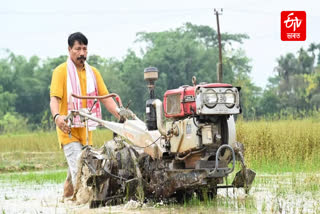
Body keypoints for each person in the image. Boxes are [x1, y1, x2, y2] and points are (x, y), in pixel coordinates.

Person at [49, 32, 120, 198]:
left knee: (73, 174)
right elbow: (54, 100)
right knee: (81, 174)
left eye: (84, 49)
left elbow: (106, 98)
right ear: (69, 49)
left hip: (86, 132)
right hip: (68, 131)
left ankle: (66, 201)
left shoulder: (93, 73)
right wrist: (57, 117)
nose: (82, 53)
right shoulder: (60, 72)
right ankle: (83, 204)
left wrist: (121, 116)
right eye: (77, 49)